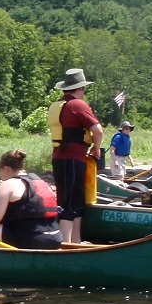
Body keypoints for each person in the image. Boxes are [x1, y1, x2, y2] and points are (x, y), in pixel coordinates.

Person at [48, 68, 104, 243]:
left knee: (77, 203)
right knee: (69, 203)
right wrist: (96, 149)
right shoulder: (77, 105)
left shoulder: (60, 104)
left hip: (62, 158)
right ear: (80, 88)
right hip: (72, 160)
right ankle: (64, 243)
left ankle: (76, 242)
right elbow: (98, 131)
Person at [0, 150, 62, 249]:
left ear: (6, 168)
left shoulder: (8, 184)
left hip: (35, 238)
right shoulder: (39, 181)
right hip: (56, 237)